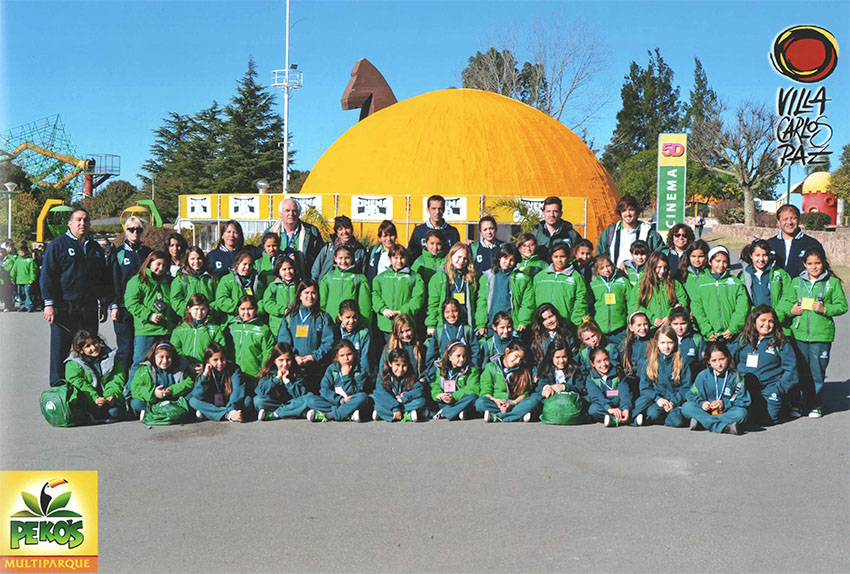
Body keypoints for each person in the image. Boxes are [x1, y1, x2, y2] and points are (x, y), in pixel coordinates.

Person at [41, 208, 113, 386]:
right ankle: (58, 386)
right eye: (78, 220)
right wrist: (49, 304)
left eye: (86, 220)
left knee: (90, 347)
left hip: (88, 307)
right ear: (70, 223)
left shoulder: (95, 248)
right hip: (64, 306)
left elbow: (102, 279)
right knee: (61, 348)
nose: (83, 223)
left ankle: (89, 386)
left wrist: (103, 303)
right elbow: (47, 276)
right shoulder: (57, 245)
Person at [789, 247, 847, 418]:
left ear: (823, 263)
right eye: (810, 264)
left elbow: (842, 306)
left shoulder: (832, 283)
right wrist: (791, 311)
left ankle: (815, 405)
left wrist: (825, 308)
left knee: (817, 371)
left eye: (817, 263)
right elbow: (786, 302)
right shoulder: (796, 282)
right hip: (799, 334)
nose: (814, 267)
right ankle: (799, 403)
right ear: (804, 265)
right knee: (800, 371)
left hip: (821, 335)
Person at [736, 305, 798, 426]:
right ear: (754, 321)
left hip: (769, 389)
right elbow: (731, 361)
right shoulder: (743, 339)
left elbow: (791, 369)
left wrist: (778, 389)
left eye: (771, 321)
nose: (767, 324)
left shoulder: (780, 342)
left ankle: (782, 403)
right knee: (743, 416)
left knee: (768, 420)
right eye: (763, 320)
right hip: (745, 388)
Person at [124, 250, 177, 382]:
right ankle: (131, 393)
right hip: (147, 330)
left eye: (164, 266)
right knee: (140, 362)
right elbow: (131, 303)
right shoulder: (138, 280)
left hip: (166, 329)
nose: (161, 268)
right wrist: (149, 315)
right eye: (158, 264)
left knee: (166, 363)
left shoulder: (168, 281)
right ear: (149, 262)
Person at [108, 218, 152, 374]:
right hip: (123, 308)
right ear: (125, 231)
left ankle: (139, 384)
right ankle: (121, 383)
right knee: (125, 349)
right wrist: (114, 305)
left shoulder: (148, 254)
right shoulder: (118, 254)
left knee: (142, 348)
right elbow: (112, 281)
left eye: (138, 230)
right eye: (131, 229)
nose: (135, 233)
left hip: (144, 309)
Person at [277, 279, 335, 392]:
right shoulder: (290, 317)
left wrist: (314, 356)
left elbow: (329, 342)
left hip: (317, 368)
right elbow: (283, 343)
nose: (310, 296)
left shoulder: (323, 317)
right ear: (300, 295)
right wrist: (294, 357)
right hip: (295, 368)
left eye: (313, 293)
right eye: (306, 293)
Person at [689, 246, 749, 354]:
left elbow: (742, 308)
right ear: (710, 262)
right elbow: (697, 309)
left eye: (725, 261)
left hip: (731, 336)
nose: (721, 265)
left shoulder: (735, 282)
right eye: (718, 261)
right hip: (711, 337)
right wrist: (707, 331)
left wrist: (732, 328)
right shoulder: (700, 283)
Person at [681, 341, 750, 434]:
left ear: (728, 357)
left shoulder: (736, 377)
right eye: (714, 360)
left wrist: (724, 404)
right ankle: (725, 427)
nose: (719, 364)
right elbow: (690, 394)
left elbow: (744, 400)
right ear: (708, 361)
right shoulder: (703, 375)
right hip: (706, 411)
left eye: (722, 359)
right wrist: (702, 403)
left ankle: (703, 422)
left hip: (726, 412)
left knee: (742, 414)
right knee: (686, 407)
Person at [64, 329, 127, 422]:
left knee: (115, 412)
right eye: (88, 346)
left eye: (95, 343)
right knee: (90, 413)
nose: (93, 348)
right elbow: (78, 383)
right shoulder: (73, 363)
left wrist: (111, 395)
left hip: (107, 400)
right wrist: (94, 398)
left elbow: (117, 378)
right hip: (87, 401)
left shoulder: (111, 357)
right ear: (81, 350)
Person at [634, 326, 691, 427]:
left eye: (670, 342)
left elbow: (686, 388)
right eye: (662, 343)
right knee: (653, 413)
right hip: (659, 400)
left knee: (677, 422)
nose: (666, 347)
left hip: (675, 401)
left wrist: (673, 402)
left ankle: (674, 417)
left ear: (675, 343)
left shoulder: (682, 362)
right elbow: (645, 387)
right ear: (656, 343)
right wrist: (657, 399)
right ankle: (642, 417)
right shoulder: (649, 363)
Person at [527, 243, 589, 333]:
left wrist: (576, 320)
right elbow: (531, 300)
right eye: (556, 257)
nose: (559, 260)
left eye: (562, 256)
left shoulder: (576, 277)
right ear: (551, 257)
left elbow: (581, 300)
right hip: (543, 323)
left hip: (565, 324)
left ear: (568, 257)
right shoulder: (540, 277)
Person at [426, 243, 485, 336]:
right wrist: (431, 324)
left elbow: (477, 302)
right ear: (451, 256)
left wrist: (479, 324)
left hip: (465, 322)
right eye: (459, 257)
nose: (461, 261)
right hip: (446, 322)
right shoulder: (439, 276)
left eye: (465, 258)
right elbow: (433, 303)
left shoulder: (471, 277)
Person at [371, 244, 425, 344]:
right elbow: (375, 295)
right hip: (385, 325)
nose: (399, 261)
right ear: (390, 258)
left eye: (402, 258)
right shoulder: (380, 278)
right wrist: (383, 309)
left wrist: (402, 311)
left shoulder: (414, 277)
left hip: (405, 325)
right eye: (395, 258)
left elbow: (418, 298)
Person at [128, 340, 194, 420]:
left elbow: (189, 382)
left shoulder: (179, 367)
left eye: (168, 357)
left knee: (192, 397)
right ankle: (157, 411)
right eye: (161, 357)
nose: (165, 361)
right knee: (136, 403)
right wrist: (154, 393)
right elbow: (136, 388)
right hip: (154, 401)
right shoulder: (145, 369)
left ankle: (153, 414)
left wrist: (172, 390)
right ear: (154, 356)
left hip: (174, 400)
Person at [475, 341, 539, 422]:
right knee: (480, 403)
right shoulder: (490, 367)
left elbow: (525, 394)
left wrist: (512, 404)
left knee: (532, 402)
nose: (518, 361)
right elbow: (485, 392)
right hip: (496, 403)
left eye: (521, 359)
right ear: (507, 351)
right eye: (516, 356)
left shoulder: (523, 370)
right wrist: (495, 400)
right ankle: (517, 416)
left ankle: (497, 417)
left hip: (514, 403)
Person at [739, 239, 794, 332]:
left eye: (764, 255)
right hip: (754, 324)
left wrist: (776, 315)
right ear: (751, 256)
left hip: (777, 322)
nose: (761, 259)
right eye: (757, 255)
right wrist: (755, 317)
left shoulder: (780, 274)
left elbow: (789, 296)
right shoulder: (743, 276)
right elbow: (742, 301)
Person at [308, 339, 370, 422]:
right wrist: (340, 400)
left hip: (351, 401)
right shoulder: (332, 369)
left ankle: (330, 415)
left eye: (349, 354)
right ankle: (348, 414)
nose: (346, 358)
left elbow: (355, 392)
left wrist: (346, 376)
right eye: (342, 355)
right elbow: (324, 390)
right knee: (311, 401)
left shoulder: (359, 371)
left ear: (354, 354)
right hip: (337, 402)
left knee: (363, 397)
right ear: (336, 357)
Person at [188, 342, 252, 422]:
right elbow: (198, 395)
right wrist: (205, 375)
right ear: (208, 360)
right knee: (193, 401)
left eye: (222, 359)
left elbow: (237, 391)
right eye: (215, 360)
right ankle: (226, 415)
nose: (220, 363)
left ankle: (210, 414)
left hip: (230, 402)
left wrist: (231, 408)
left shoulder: (234, 369)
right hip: (213, 402)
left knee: (247, 401)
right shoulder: (206, 371)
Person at [595, 195, 664, 269]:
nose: (628, 214)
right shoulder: (610, 232)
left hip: (641, 277)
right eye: (624, 210)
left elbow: (661, 256)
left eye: (631, 209)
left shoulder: (649, 233)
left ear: (637, 211)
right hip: (616, 278)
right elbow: (599, 257)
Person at [254, 342, 316, 421]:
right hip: (276, 403)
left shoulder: (296, 371)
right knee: (258, 400)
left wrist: (288, 382)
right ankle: (295, 412)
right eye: (281, 360)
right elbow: (260, 391)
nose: (285, 364)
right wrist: (276, 379)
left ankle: (276, 414)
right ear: (274, 360)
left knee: (308, 398)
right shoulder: (269, 371)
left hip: (292, 402)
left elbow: (300, 394)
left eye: (288, 360)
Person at [479, 243, 532, 332]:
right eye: (505, 258)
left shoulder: (522, 278)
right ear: (499, 257)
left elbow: (527, 302)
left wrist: (523, 320)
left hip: (512, 325)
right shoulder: (487, 277)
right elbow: (482, 301)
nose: (507, 263)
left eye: (511, 260)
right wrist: (481, 323)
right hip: (491, 323)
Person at [269, 198, 325, 278]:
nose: (291, 214)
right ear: (280, 213)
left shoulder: (312, 232)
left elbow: (320, 258)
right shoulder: (271, 232)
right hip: (278, 282)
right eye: (287, 211)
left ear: (298, 213)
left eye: (294, 211)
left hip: (303, 279)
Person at [632, 251, 688, 330]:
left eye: (665, 267)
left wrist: (670, 316)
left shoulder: (673, 283)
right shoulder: (641, 284)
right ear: (652, 267)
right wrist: (651, 318)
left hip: (669, 328)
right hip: (649, 328)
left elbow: (683, 301)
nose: (662, 271)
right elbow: (635, 305)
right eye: (659, 267)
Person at [768, 204, 824, 279]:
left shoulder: (812, 244)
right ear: (778, 222)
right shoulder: (769, 244)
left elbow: (822, 270)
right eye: (785, 219)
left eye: (793, 218)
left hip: (802, 289)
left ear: (798, 220)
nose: (789, 222)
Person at [225, 295, 274, 381]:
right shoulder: (231, 327)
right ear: (238, 309)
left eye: (250, 309)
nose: (246, 312)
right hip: (233, 374)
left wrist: (263, 370)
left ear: (255, 309)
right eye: (242, 309)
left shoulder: (263, 329)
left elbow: (268, 352)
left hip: (254, 374)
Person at [169, 294, 226, 368]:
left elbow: (220, 350)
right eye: (196, 309)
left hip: (207, 369)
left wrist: (207, 364)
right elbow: (175, 349)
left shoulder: (214, 329)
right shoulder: (180, 330)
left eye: (203, 309)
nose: (199, 313)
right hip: (184, 369)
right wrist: (186, 364)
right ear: (189, 309)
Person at [319, 244, 371, 324]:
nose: (343, 261)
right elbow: (322, 301)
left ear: (352, 258)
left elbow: (365, 306)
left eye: (347, 258)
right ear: (335, 258)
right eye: (340, 258)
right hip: (331, 320)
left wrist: (364, 325)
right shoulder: (329, 277)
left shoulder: (359, 278)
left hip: (351, 322)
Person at [371, 347, 427, 422]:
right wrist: (395, 407)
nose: (400, 369)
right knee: (375, 399)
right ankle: (406, 415)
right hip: (390, 401)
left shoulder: (411, 374)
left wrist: (404, 398)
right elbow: (380, 392)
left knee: (421, 401)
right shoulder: (383, 374)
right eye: (397, 365)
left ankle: (385, 414)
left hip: (403, 401)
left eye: (404, 366)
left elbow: (418, 389)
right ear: (390, 364)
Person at [587, 254, 631, 347]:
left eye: (608, 266)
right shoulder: (593, 285)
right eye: (602, 268)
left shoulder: (622, 281)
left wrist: (629, 321)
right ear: (597, 271)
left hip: (620, 329)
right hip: (600, 330)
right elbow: (589, 306)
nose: (606, 270)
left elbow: (630, 302)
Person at [430, 340, 480, 420]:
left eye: (464, 356)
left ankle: (446, 412)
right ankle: (457, 412)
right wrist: (439, 395)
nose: (462, 359)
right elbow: (435, 385)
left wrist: (454, 396)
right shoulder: (440, 369)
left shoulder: (471, 370)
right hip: (444, 401)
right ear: (449, 356)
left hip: (459, 400)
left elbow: (473, 388)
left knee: (473, 397)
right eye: (458, 356)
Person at [583, 346, 632, 427]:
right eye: (598, 361)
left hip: (620, 405)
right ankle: (622, 419)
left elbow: (625, 393)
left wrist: (626, 408)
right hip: (606, 407)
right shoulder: (591, 378)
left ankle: (623, 417)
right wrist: (609, 408)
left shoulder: (619, 373)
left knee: (636, 403)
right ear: (592, 364)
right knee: (593, 409)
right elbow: (597, 396)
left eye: (605, 359)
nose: (603, 364)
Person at [407, 195, 461, 263]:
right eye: (434, 208)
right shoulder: (419, 231)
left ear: (444, 209)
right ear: (428, 209)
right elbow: (411, 255)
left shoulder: (453, 231)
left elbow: (456, 255)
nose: (437, 212)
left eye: (440, 209)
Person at [311, 215, 366, 281]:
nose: (344, 232)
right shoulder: (328, 248)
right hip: (326, 288)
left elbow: (364, 273)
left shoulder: (360, 251)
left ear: (352, 229)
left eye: (347, 228)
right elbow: (316, 269)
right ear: (337, 233)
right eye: (340, 229)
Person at [531, 196, 583, 262]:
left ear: (561, 213)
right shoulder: (535, 235)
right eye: (548, 211)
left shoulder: (572, 235)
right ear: (543, 213)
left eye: (555, 211)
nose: (551, 215)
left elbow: (580, 256)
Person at [214, 250, 264, 317]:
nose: (247, 267)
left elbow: (263, 299)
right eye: (245, 264)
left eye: (250, 265)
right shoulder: (227, 279)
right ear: (237, 264)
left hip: (255, 318)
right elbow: (221, 300)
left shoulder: (258, 279)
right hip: (233, 319)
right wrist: (241, 309)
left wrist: (255, 310)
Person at [170, 247, 216, 318]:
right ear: (187, 260)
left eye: (199, 258)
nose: (196, 261)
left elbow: (218, 298)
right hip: (188, 318)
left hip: (209, 317)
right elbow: (175, 299)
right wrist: (188, 312)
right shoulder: (181, 278)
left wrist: (210, 310)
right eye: (192, 259)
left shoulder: (211, 278)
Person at [261, 255, 299, 339]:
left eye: (290, 268)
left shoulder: (299, 285)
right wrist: (282, 310)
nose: (288, 272)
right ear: (278, 272)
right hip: (278, 325)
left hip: (297, 324)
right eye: (284, 269)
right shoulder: (274, 285)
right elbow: (268, 303)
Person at [12, 243, 38, 312]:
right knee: (21, 294)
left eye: (22, 252)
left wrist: (32, 278)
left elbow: (33, 270)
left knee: (28, 293)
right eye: (20, 252)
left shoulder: (30, 260)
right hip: (19, 280)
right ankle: (22, 306)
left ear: (26, 252)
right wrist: (12, 277)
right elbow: (14, 269)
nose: (21, 253)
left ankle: (29, 306)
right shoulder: (18, 260)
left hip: (27, 280)